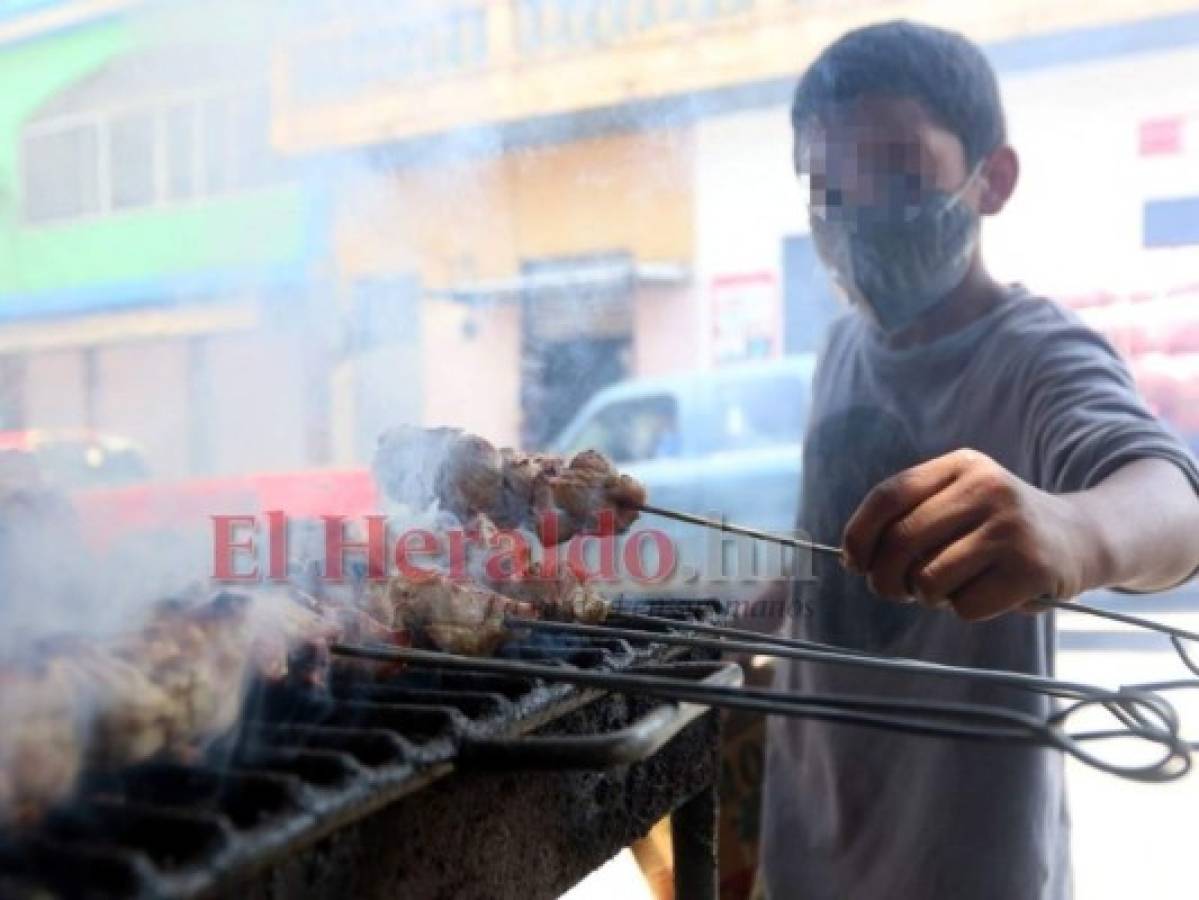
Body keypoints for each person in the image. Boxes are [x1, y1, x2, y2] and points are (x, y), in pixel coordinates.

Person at [757, 21, 1199, 900]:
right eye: (828, 188)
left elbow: (1173, 502)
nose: (858, 216)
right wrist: (739, 613)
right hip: (809, 847)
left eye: (897, 173)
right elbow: (831, 561)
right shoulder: (842, 345)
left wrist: (1074, 530)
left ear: (990, 180)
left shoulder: (1037, 356)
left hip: (960, 867)